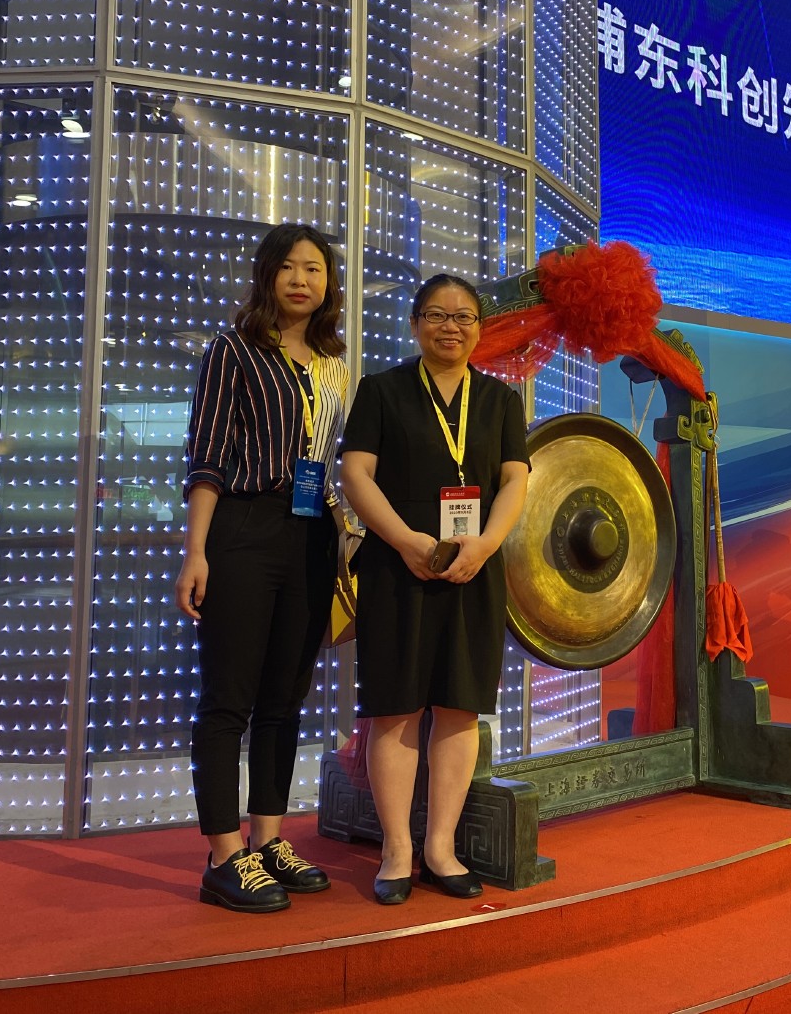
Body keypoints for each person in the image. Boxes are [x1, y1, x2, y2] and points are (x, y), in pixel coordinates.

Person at [174, 223, 350, 913]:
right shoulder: (233, 348)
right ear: (267, 275)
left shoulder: (335, 363)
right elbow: (208, 457)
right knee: (228, 700)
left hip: (311, 534)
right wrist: (196, 550)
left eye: (315, 268)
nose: (302, 280)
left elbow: (332, 461)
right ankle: (223, 856)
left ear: (329, 283)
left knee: (285, 698)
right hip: (244, 527)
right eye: (289, 267)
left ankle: (268, 840)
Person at [341, 274, 530, 905]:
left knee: (458, 708)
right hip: (397, 568)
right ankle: (396, 850)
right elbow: (355, 475)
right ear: (415, 323)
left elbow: (515, 481)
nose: (451, 327)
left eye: (464, 317)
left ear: (479, 328)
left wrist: (485, 545)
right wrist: (406, 542)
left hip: (474, 570)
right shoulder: (381, 390)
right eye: (437, 315)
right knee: (393, 709)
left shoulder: (501, 400)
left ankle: (440, 848)